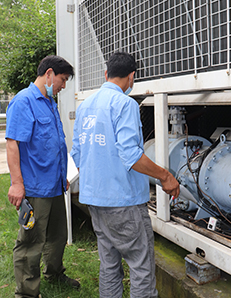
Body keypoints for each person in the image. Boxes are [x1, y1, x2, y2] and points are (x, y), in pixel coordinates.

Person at [70, 51, 180, 298]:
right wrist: (165, 176)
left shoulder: (86, 105)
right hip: (123, 203)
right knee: (141, 267)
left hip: (95, 201)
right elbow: (131, 155)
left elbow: (77, 154)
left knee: (109, 265)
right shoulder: (125, 104)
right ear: (132, 77)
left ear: (106, 73)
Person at [6, 55, 80, 298]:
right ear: (48, 74)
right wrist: (17, 184)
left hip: (55, 185)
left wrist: (62, 176)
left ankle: (54, 273)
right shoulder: (23, 101)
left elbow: (54, 144)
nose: (63, 85)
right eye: (62, 79)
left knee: (58, 235)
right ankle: (26, 292)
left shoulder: (48, 102)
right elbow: (13, 144)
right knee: (31, 242)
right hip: (35, 188)